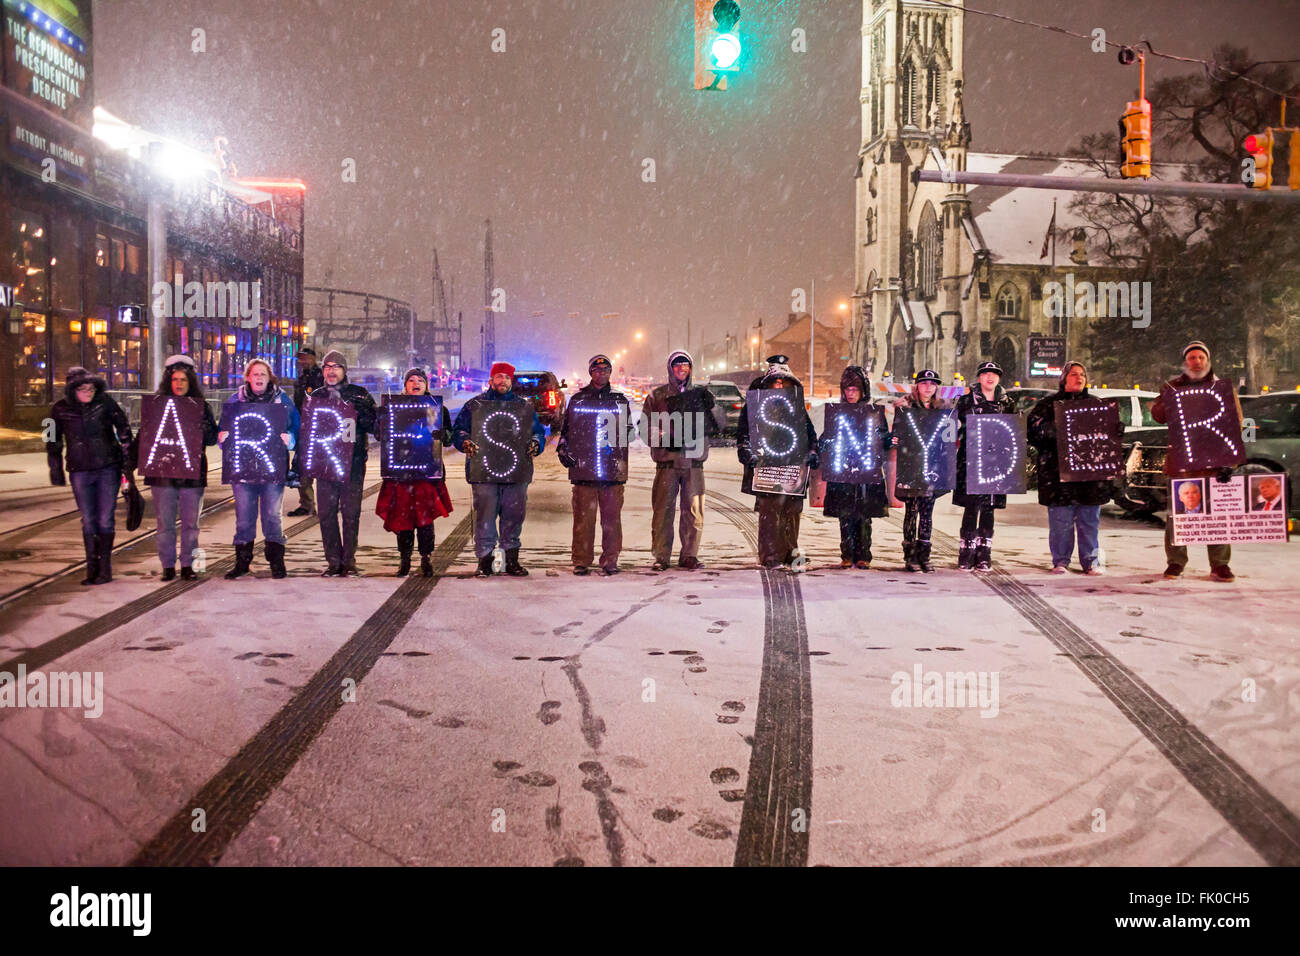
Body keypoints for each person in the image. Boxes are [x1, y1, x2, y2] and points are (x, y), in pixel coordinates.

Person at [1151, 341, 1242, 582]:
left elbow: (1235, 424)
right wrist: (1166, 399)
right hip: (1182, 463)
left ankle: (1220, 564)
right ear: (1185, 362)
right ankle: (1176, 562)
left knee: (1216, 515)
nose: (1197, 361)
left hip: (1212, 464)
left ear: (1208, 361)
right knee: (1178, 515)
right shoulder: (1173, 387)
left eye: (1201, 357)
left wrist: (1228, 463)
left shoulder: (1221, 388)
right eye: (1192, 357)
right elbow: (1158, 416)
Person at [452, 361, 546, 576]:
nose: (502, 380)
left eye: (506, 377)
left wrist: (536, 444)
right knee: (485, 517)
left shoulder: (523, 407)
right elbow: (459, 431)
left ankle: (510, 560)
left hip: (516, 472)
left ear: (511, 381)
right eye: (498, 376)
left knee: (514, 516)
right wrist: (464, 441)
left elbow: (538, 432)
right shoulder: (474, 405)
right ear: (491, 380)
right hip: (484, 473)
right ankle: (485, 561)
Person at [131, 356, 219, 581]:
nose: (179, 384)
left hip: (192, 475)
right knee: (165, 524)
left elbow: (211, 439)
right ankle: (168, 565)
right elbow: (145, 436)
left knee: (191, 524)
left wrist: (204, 424)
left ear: (190, 382)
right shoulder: (157, 407)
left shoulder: (200, 407)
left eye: (183, 380)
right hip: (163, 475)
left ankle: (188, 565)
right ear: (168, 381)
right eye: (175, 379)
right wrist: (128, 464)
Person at [47, 366, 133, 585]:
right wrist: (55, 470)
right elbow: (50, 441)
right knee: (88, 520)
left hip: (108, 468)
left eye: (91, 388)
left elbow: (124, 430)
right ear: (72, 390)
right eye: (83, 388)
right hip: (79, 470)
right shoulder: (57, 410)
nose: (88, 392)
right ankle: (91, 569)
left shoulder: (106, 404)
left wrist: (126, 464)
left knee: (105, 518)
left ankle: (104, 569)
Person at [1026, 361, 1113, 575]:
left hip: (1089, 477)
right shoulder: (1048, 405)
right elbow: (1032, 431)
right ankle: (1061, 561)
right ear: (1064, 378)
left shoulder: (1095, 404)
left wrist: (1114, 430)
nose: (1079, 378)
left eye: (1082, 374)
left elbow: (1107, 440)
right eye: (1074, 374)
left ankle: (1091, 562)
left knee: (1089, 521)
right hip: (1057, 474)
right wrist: (1052, 430)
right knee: (1061, 522)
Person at [219, 358, 300, 579]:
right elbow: (223, 428)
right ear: (247, 378)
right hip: (242, 469)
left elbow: (296, 427)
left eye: (263, 374)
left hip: (272, 468)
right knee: (244, 517)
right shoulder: (236, 401)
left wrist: (290, 439)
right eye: (255, 374)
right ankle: (242, 561)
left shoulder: (282, 401)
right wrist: (222, 438)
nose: (259, 378)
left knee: (272, 516)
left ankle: (276, 561)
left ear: (269, 378)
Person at [737, 355, 819, 569]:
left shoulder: (796, 406)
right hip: (768, 467)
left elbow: (810, 433)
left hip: (793, 468)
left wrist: (813, 451)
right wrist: (746, 452)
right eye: (776, 381)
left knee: (792, 511)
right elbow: (744, 434)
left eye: (784, 382)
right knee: (770, 513)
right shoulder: (756, 406)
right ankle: (770, 555)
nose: (780, 385)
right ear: (769, 383)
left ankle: (790, 552)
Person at [640, 350, 719, 570]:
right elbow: (645, 430)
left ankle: (689, 555)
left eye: (685, 366)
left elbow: (720, 424)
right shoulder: (657, 397)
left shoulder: (701, 395)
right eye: (677, 366)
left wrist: (712, 406)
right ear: (670, 368)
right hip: (667, 463)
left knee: (693, 511)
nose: (681, 370)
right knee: (663, 511)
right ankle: (661, 556)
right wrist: (666, 438)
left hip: (694, 464)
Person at [374, 368, 454, 577]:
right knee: (403, 519)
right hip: (401, 472)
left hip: (427, 471)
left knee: (425, 519)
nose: (416, 383)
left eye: (420, 380)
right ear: (405, 385)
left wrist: (444, 434)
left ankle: (426, 558)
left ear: (427, 385)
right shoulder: (393, 407)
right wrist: (380, 421)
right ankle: (405, 558)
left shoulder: (437, 408)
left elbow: (448, 438)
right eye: (411, 380)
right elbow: (379, 435)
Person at [558, 354, 630, 575]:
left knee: (612, 521)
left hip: (611, 472)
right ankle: (581, 560)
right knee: (583, 521)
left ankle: (610, 560)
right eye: (598, 370)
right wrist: (562, 447)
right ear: (591, 372)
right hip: (584, 470)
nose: (602, 374)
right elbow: (566, 430)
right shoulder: (578, 400)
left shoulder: (620, 400)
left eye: (606, 370)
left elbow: (628, 432)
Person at [313, 350, 377, 576]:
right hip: (325, 465)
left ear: (344, 370)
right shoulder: (316, 396)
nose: (331, 370)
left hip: (353, 464)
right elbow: (306, 431)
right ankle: (333, 561)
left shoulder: (360, 395)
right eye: (327, 366)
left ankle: (348, 560)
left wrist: (362, 414)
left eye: (336, 366)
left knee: (351, 515)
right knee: (327, 515)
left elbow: (376, 427)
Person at [819, 365, 888, 569]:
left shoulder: (873, 414)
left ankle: (864, 555)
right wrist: (822, 444)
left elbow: (881, 437)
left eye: (854, 390)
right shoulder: (837, 413)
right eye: (848, 390)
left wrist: (888, 440)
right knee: (845, 516)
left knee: (864, 517)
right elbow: (828, 437)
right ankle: (847, 554)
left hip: (866, 473)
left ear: (862, 391)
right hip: (843, 473)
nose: (850, 394)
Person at [954, 361, 1017, 571]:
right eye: (986, 374)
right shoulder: (965, 402)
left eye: (994, 374)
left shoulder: (1008, 403)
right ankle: (966, 550)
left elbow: (1015, 431)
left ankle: (984, 552)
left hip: (996, 464)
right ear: (979, 377)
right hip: (971, 461)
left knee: (989, 508)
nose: (990, 378)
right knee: (971, 507)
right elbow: (951, 429)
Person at [891, 369, 951, 572]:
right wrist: (894, 439)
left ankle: (924, 555)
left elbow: (948, 439)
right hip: (910, 467)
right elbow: (897, 435)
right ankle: (910, 555)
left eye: (932, 384)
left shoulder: (943, 410)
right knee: (912, 510)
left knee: (927, 511)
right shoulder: (905, 409)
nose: (928, 387)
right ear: (917, 386)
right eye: (924, 383)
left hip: (933, 468)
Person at [288, 347, 325, 516]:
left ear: (313, 358)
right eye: (301, 358)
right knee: (302, 468)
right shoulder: (302, 378)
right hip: (304, 428)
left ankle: (329, 502)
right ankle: (307, 503)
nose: (303, 361)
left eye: (305, 358)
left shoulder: (322, 377)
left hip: (321, 429)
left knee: (324, 467)